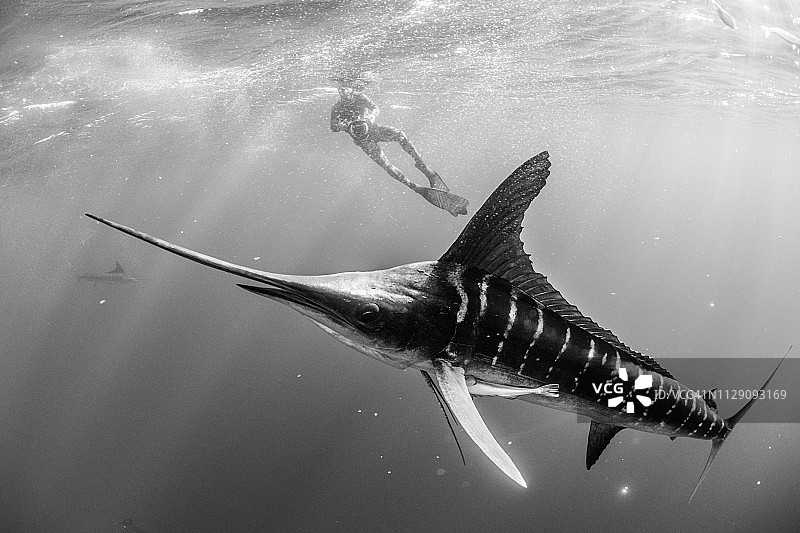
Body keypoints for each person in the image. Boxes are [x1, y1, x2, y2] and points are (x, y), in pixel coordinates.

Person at [330, 87, 469, 216]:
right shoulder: (337, 107)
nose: (343, 91)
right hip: (364, 141)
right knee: (387, 166)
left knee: (400, 135)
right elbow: (333, 127)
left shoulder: (360, 97)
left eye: (345, 88)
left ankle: (422, 165)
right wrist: (343, 126)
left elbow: (375, 108)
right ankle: (413, 186)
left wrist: (370, 117)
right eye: (340, 89)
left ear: (351, 88)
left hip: (374, 129)